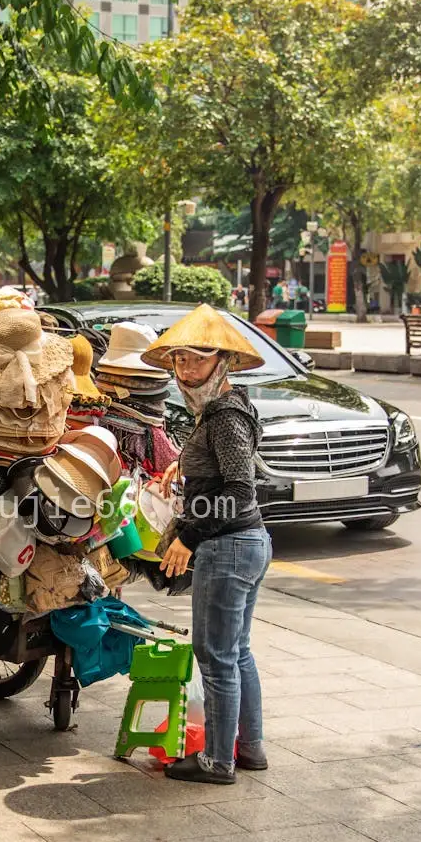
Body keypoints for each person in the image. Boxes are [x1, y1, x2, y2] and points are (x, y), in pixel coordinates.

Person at [142, 305, 272, 785]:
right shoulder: (217, 411)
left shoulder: (224, 411)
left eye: (197, 360)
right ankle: (250, 748)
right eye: (179, 360)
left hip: (229, 544)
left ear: (222, 363)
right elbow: (223, 472)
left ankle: (219, 761)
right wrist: (186, 469)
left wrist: (189, 538)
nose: (186, 370)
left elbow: (240, 488)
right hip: (245, 543)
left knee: (216, 655)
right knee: (236, 651)